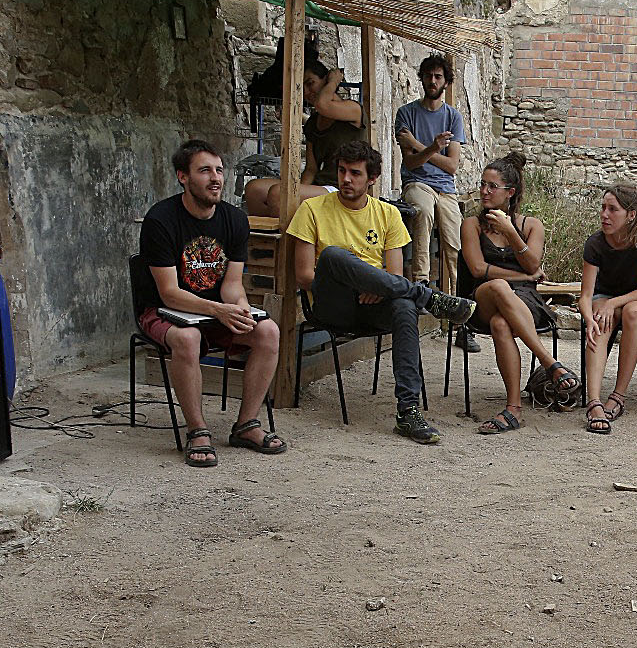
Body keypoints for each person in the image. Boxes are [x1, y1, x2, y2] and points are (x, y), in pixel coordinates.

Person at [286, 140, 476, 445]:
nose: (346, 179)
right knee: (334, 256)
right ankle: (428, 297)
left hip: (376, 304)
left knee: (403, 306)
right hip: (332, 303)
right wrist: (363, 282)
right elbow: (305, 276)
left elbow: (394, 275)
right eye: (342, 171)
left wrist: (377, 286)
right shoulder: (312, 209)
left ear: (372, 179)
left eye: (355, 173)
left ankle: (408, 411)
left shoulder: (388, 214)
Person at [135, 139, 286, 467]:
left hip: (215, 311)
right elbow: (169, 293)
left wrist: (241, 307)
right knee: (187, 338)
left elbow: (232, 285)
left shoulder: (234, 220)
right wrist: (219, 310)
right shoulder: (161, 220)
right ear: (183, 177)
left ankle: (246, 424)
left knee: (268, 332)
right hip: (162, 311)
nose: (215, 178)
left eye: (219, 170)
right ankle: (197, 430)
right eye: (204, 171)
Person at [456, 151, 579, 431]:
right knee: (498, 287)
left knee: (502, 323)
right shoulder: (471, 225)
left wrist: (511, 233)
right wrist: (525, 274)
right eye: (482, 185)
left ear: (509, 192)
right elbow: (477, 269)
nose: (484, 192)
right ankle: (551, 364)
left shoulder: (531, 225)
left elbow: (532, 262)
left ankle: (513, 409)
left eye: (492, 187)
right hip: (482, 298)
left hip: (525, 300)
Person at [579, 184, 637, 434]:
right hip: (604, 299)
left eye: (612, 209)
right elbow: (585, 295)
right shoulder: (595, 243)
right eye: (603, 208)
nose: (604, 214)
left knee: (632, 311)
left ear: (631, 214)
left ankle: (618, 396)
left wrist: (613, 303)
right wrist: (589, 319)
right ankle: (594, 401)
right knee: (599, 320)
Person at [241, 51, 367, 218]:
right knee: (254, 189)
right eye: (303, 87)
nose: (307, 92)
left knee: (278, 194)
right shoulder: (313, 123)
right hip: (318, 186)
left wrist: (334, 81)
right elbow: (310, 169)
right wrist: (295, 193)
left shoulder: (352, 109)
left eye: (310, 83)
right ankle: (268, 240)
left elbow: (323, 105)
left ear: (325, 80)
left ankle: (289, 242)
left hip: (341, 187)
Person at [394, 54, 466, 287]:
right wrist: (435, 148)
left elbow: (452, 165)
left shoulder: (453, 117)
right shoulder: (406, 113)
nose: (432, 81)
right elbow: (411, 164)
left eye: (438, 76)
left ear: (446, 82)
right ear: (422, 79)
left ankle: (459, 292)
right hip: (416, 182)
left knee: (454, 234)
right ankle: (421, 282)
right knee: (423, 211)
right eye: (428, 76)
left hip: (446, 188)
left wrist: (419, 145)